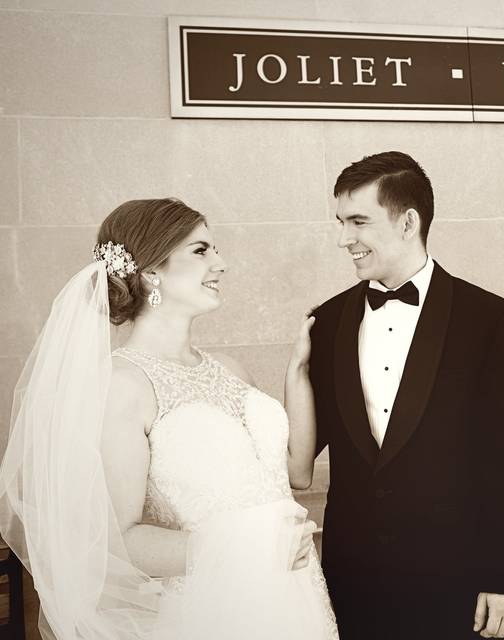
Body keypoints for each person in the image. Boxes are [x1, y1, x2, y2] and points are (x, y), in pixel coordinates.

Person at [0, 199, 339, 640]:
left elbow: (296, 472)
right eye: (201, 250)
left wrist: (298, 373)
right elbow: (122, 540)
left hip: (296, 599)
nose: (222, 263)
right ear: (151, 273)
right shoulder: (123, 385)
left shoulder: (232, 371)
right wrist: (255, 548)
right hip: (217, 610)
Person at [284, 152, 504, 639]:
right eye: (340, 222)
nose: (344, 239)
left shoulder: (487, 318)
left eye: (358, 221)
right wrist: (295, 372)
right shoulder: (329, 321)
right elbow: (300, 454)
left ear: (408, 222)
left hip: (459, 586)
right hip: (353, 584)